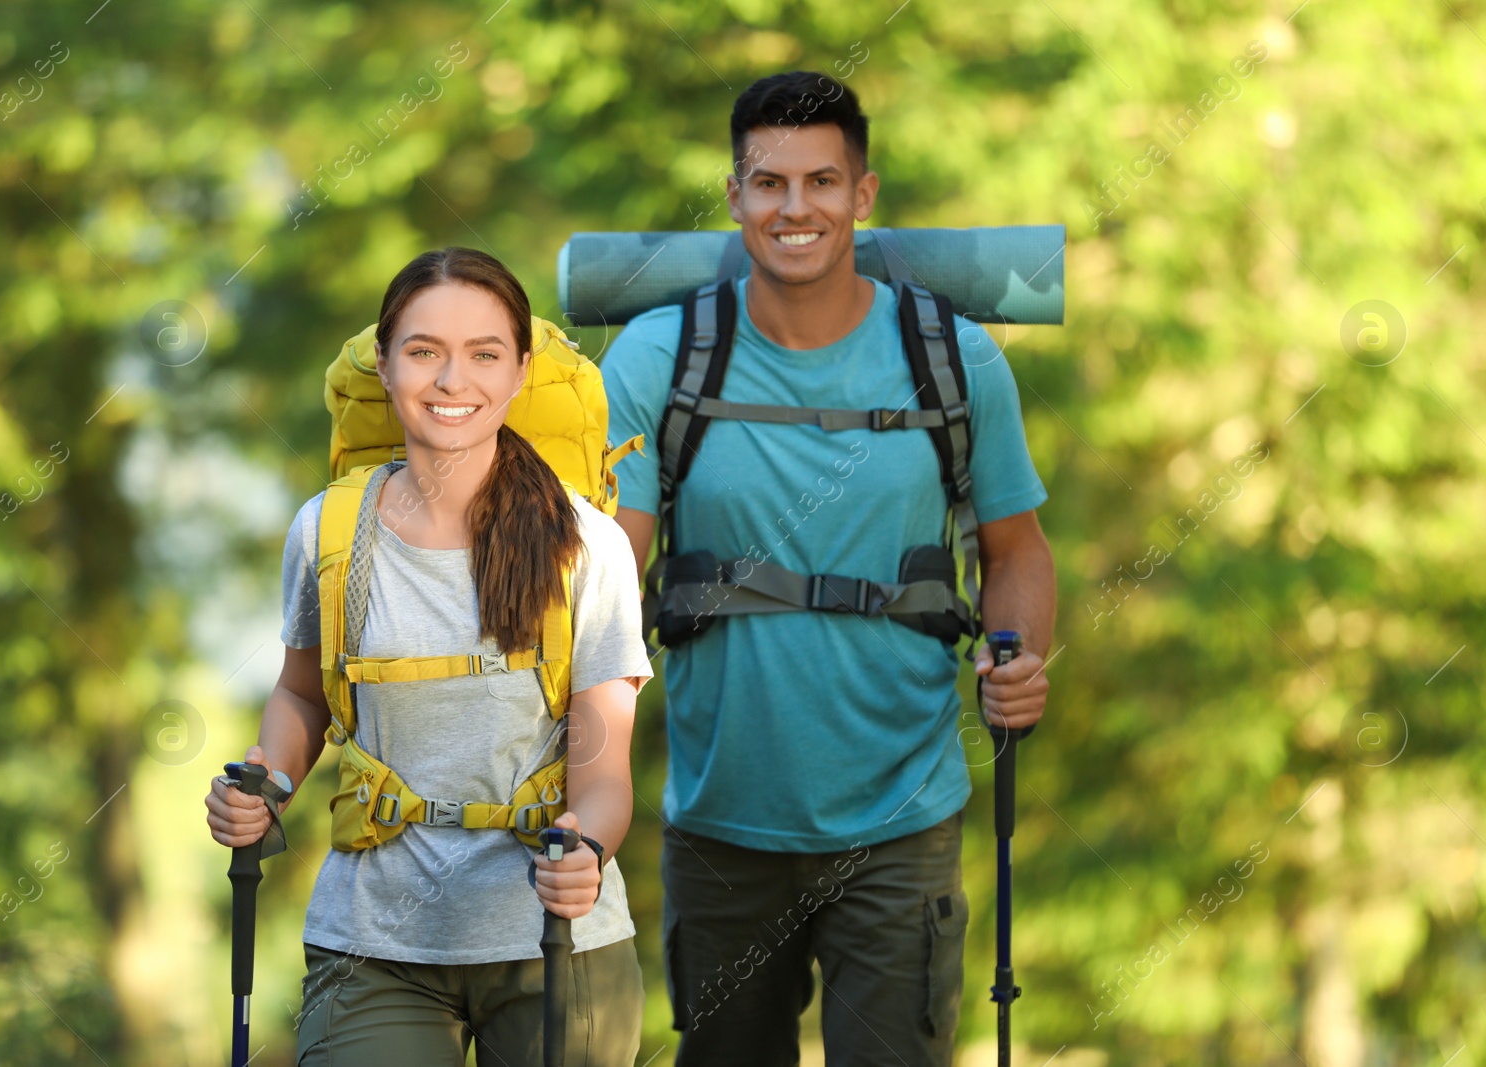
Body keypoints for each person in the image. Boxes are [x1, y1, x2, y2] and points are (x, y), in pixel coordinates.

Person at [600, 72, 1058, 1066]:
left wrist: (1018, 658)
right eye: (768, 183)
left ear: (863, 194)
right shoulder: (656, 360)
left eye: (820, 181)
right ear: (733, 197)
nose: (794, 208)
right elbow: (605, 578)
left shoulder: (954, 360)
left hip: (902, 819)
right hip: (722, 826)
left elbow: (1016, 552)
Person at [205, 247, 651, 1066]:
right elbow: (303, 697)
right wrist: (266, 785)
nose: (453, 380)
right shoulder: (328, 531)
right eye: (423, 351)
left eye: (484, 354)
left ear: (519, 372)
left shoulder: (587, 544)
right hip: (373, 942)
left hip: (556, 936)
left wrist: (588, 849)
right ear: (384, 362)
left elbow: (603, 759)